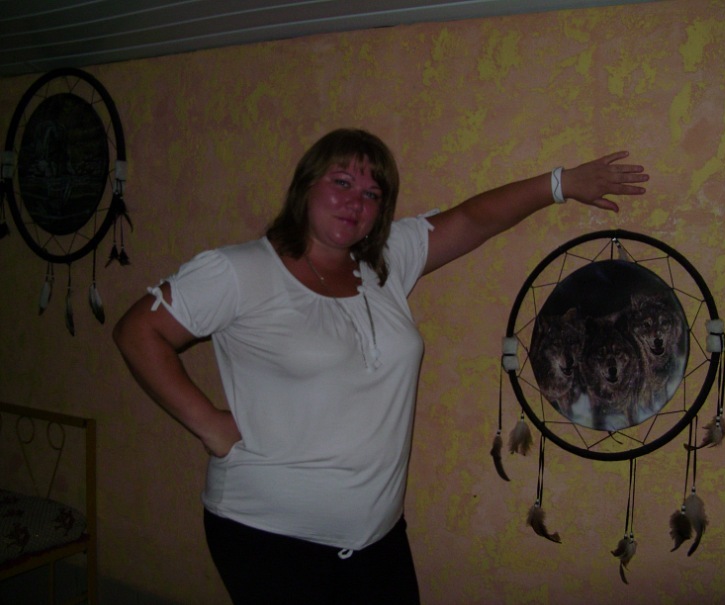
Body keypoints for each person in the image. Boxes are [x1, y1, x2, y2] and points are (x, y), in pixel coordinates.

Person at [113, 128, 648, 604]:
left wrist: (560, 184)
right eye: (342, 182)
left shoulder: (384, 262)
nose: (356, 201)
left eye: (372, 194)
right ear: (305, 187)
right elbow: (139, 331)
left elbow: (471, 219)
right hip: (268, 532)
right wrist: (209, 424)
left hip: (376, 535)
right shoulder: (239, 270)